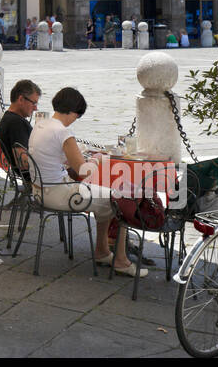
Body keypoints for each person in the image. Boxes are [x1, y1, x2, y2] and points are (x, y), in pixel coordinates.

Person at [25, 87, 141, 277]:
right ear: (72, 111)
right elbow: (83, 171)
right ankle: (120, 260)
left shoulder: (41, 125)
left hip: (39, 190)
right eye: (77, 116)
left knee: (104, 200)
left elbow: (51, 157)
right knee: (119, 199)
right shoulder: (63, 133)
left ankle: (103, 250)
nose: (75, 120)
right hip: (59, 193)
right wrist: (98, 159)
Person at [0, 79, 41, 169]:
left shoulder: (8, 118)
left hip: (36, 176)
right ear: (21, 99)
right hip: (39, 179)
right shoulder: (16, 123)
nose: (36, 108)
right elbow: (23, 163)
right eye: (34, 103)